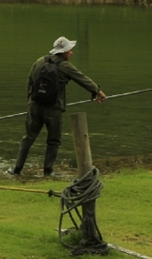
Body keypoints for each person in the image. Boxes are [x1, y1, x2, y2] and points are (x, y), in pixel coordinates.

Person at [8, 36, 106, 177]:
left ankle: (16, 170)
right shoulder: (65, 66)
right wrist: (97, 91)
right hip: (53, 109)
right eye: (69, 50)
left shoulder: (39, 61)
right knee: (53, 140)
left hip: (34, 106)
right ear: (63, 52)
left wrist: (30, 102)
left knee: (28, 138)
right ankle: (48, 172)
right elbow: (82, 78)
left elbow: (29, 82)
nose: (71, 53)